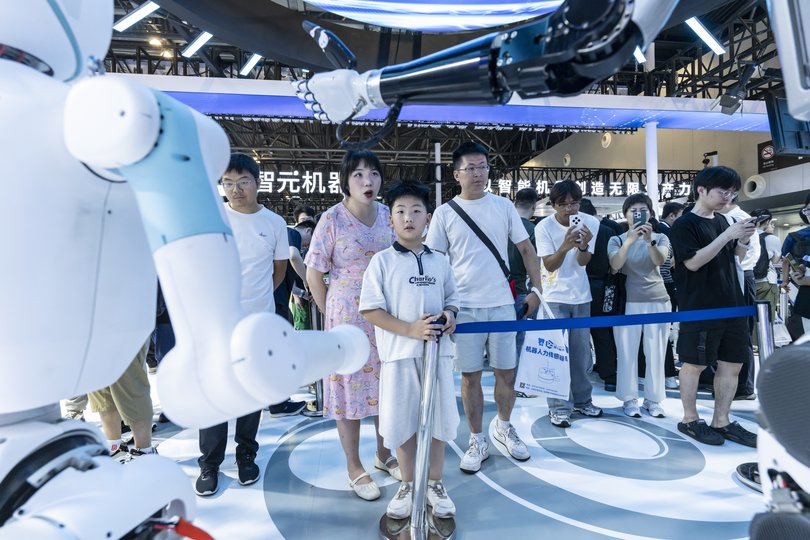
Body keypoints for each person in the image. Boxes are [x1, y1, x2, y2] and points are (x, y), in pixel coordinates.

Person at [426, 142, 542, 473]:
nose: (478, 174)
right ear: (456, 174)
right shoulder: (445, 213)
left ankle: (503, 427)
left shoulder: (503, 207)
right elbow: (436, 262)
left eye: (483, 167)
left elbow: (526, 249)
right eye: (470, 168)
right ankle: (477, 439)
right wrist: (442, 307)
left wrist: (537, 290)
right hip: (464, 309)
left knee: (507, 372)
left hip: (503, 304)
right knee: (470, 376)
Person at [360, 180, 460, 520]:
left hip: (437, 357)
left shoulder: (440, 261)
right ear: (390, 219)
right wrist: (409, 330)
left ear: (428, 218)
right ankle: (407, 483)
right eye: (400, 211)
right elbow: (370, 309)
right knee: (402, 423)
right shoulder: (382, 262)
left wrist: (450, 315)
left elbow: (453, 299)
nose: (408, 218)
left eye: (416, 211)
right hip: (399, 357)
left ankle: (435, 483)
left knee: (438, 420)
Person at [305, 150, 399, 501]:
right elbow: (314, 274)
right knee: (348, 389)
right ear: (345, 180)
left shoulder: (389, 215)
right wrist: (332, 315)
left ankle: (384, 453)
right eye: (358, 174)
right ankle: (354, 466)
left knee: (386, 385)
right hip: (346, 319)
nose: (367, 181)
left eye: (373, 173)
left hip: (385, 316)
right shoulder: (332, 219)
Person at [195, 153, 290, 497]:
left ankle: (246, 455)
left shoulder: (274, 223)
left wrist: (256, 300)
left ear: (257, 183)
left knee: (251, 391)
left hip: (256, 322)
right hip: (217, 322)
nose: (236, 189)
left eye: (243, 182)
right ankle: (209, 463)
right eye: (229, 183)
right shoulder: (213, 218)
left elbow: (278, 272)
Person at [669, 166, 758, 447]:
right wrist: (728, 235)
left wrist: (743, 239)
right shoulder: (684, 224)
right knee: (694, 363)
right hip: (700, 305)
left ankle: (722, 420)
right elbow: (693, 262)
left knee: (732, 364)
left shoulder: (723, 221)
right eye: (722, 192)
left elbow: (735, 259)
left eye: (732, 193)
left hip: (732, 303)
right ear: (701, 190)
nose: (727, 197)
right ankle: (690, 419)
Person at [535, 180, 603, 428]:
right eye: (563, 204)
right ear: (553, 205)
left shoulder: (591, 222)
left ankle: (583, 401)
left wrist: (583, 245)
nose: (569, 209)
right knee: (556, 356)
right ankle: (558, 407)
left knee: (581, 354)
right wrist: (565, 246)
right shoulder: (543, 227)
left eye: (574, 203)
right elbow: (549, 265)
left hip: (581, 296)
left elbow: (584, 262)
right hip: (554, 297)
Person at [608, 194, 671, 419]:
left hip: (658, 300)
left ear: (650, 214)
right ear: (625, 215)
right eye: (633, 210)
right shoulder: (616, 239)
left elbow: (659, 260)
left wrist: (648, 240)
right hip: (627, 301)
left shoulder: (661, 237)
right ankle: (629, 398)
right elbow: (615, 265)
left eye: (643, 210)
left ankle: (653, 400)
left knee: (656, 353)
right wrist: (629, 241)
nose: (638, 214)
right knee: (626, 352)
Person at [719, 197, 760, 400]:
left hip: (741, 276)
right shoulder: (727, 217)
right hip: (735, 277)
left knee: (741, 334)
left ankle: (744, 386)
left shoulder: (739, 218)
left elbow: (746, 256)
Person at [87, 341, 157, 461]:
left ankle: (144, 451)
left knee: (129, 383)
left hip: (123, 334)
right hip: (91, 335)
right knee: (101, 388)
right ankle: (114, 447)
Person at [580, 198, 619, 392]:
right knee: (602, 332)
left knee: (578, 333)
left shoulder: (577, 231)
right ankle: (609, 374)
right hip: (603, 285)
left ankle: (581, 372)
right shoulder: (607, 231)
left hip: (580, 284)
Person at [508, 187, 539, 380]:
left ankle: (504, 379)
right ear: (534, 207)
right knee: (519, 340)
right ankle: (517, 381)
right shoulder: (532, 230)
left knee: (501, 340)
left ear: (514, 203)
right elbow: (536, 263)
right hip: (520, 289)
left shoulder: (503, 225)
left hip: (497, 291)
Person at [781, 193, 810, 334]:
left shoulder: (793, 237)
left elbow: (786, 259)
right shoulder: (793, 236)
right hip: (803, 290)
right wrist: (802, 270)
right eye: (808, 209)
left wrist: (785, 280)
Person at [751, 209, 781, 323]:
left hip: (748, 281)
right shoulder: (772, 238)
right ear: (767, 221)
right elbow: (775, 260)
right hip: (766, 281)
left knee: (750, 318)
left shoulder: (745, 235)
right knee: (765, 319)